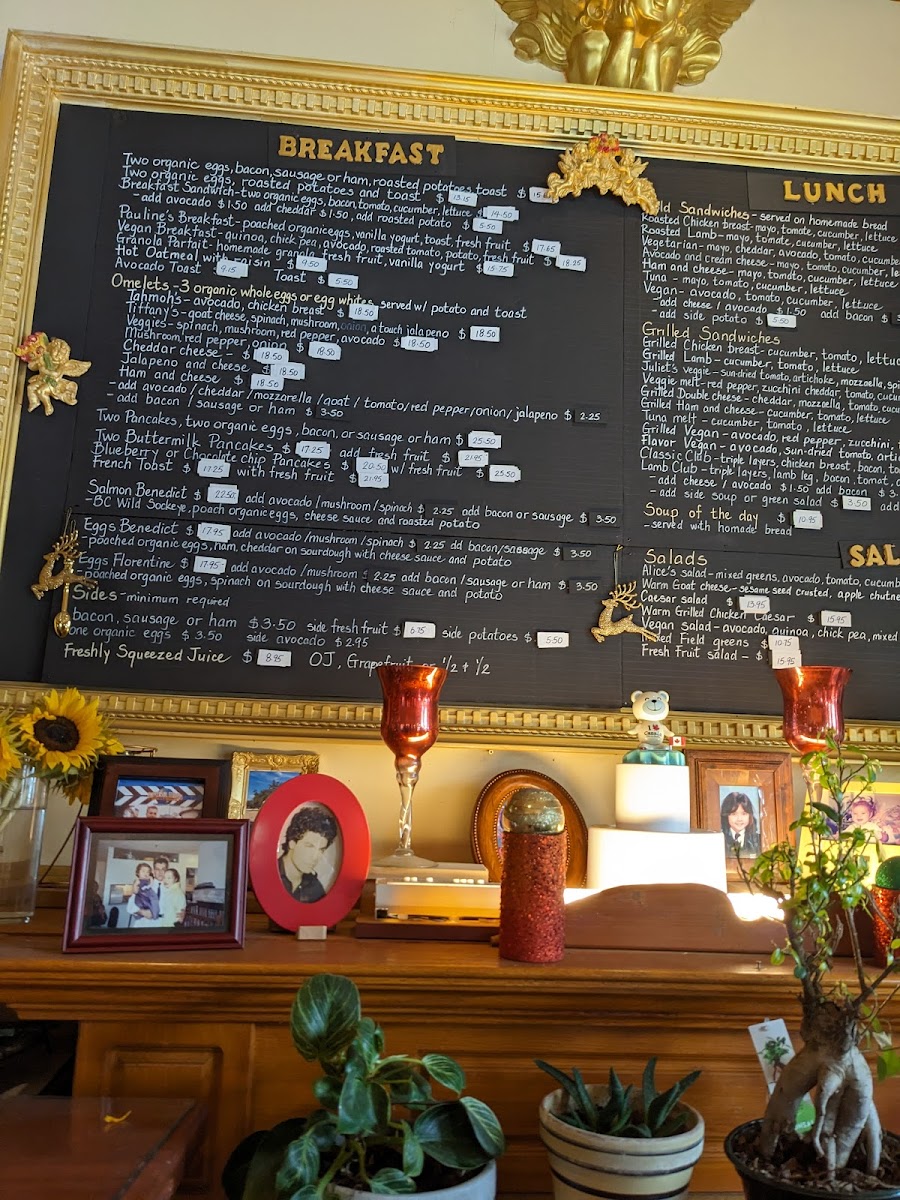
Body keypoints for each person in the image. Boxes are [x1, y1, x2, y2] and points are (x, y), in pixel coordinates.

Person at [278, 806, 338, 903]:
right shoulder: (270, 874)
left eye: (321, 850)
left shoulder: (315, 887)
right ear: (292, 843)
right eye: (309, 846)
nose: (315, 857)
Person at [126, 855, 169, 925]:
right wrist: (142, 912)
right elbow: (130, 907)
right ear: (153, 871)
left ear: (167, 871)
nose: (160, 872)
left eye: (163, 869)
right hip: (144, 923)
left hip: (163, 923)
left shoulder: (171, 889)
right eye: (157, 869)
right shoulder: (143, 885)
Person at [720, 791, 761, 857]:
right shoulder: (719, 839)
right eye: (734, 814)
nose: (739, 819)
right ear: (726, 816)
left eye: (744, 814)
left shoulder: (759, 840)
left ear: (750, 815)